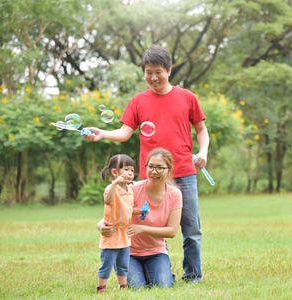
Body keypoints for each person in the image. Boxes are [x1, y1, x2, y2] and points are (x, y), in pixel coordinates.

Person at [85, 45, 209, 283]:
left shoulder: (187, 97)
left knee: (191, 230)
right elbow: (124, 132)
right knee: (146, 221)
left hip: (184, 172)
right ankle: (158, 268)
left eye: (159, 72)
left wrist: (203, 151)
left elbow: (202, 130)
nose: (153, 77)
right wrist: (102, 133)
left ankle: (193, 276)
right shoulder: (138, 101)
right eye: (148, 72)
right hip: (150, 176)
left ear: (170, 70)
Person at [98, 148, 182, 289]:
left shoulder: (175, 194)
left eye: (160, 168)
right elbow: (111, 212)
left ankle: (163, 272)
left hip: (156, 252)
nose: (154, 172)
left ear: (169, 170)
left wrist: (142, 228)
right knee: (137, 288)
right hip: (128, 252)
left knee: (162, 286)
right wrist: (100, 225)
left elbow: (172, 231)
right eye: (151, 167)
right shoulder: (132, 189)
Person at [96, 154, 142, 293]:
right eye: (126, 169)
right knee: (107, 264)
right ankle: (101, 287)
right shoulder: (111, 188)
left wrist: (140, 211)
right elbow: (108, 201)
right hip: (112, 233)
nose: (130, 173)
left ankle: (123, 286)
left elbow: (128, 209)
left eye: (132, 170)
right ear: (114, 172)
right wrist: (114, 183)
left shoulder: (129, 190)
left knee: (123, 264)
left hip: (124, 234)